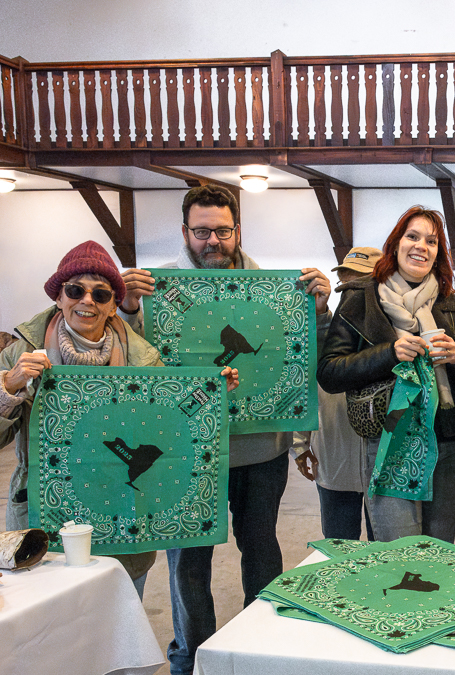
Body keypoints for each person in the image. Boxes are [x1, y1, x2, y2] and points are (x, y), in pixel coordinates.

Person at [117, 185, 333, 675]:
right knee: (188, 565)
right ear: (184, 233)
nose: (211, 240)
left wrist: (317, 308)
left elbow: (307, 359)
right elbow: (129, 362)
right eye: (201, 231)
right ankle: (191, 661)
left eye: (221, 230)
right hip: (186, 454)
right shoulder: (157, 289)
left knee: (261, 552)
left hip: (262, 451)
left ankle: (260, 651)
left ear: (238, 230)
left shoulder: (278, 287)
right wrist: (129, 308)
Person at [0, 241, 238, 596]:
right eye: (75, 290)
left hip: (123, 512)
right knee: (47, 622)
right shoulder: (20, 354)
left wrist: (210, 394)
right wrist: (9, 387)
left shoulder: (143, 359)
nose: (87, 301)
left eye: (100, 294)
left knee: (119, 618)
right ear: (58, 297)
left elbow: (169, 428)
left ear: (114, 305)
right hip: (45, 513)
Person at [317, 206, 455, 543]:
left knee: (439, 554)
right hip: (391, 442)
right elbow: (329, 372)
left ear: (439, 253)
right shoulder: (361, 297)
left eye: (431, 241)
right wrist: (389, 354)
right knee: (398, 555)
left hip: (449, 441)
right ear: (396, 244)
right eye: (412, 237)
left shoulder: (449, 304)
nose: (421, 246)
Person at [292, 247, 382, 540]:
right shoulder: (323, 331)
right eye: (346, 285)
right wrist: (299, 443)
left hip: (383, 466)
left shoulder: (394, 336)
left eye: (361, 284)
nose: (352, 294)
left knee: (386, 552)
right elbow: (301, 383)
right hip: (333, 459)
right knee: (338, 549)